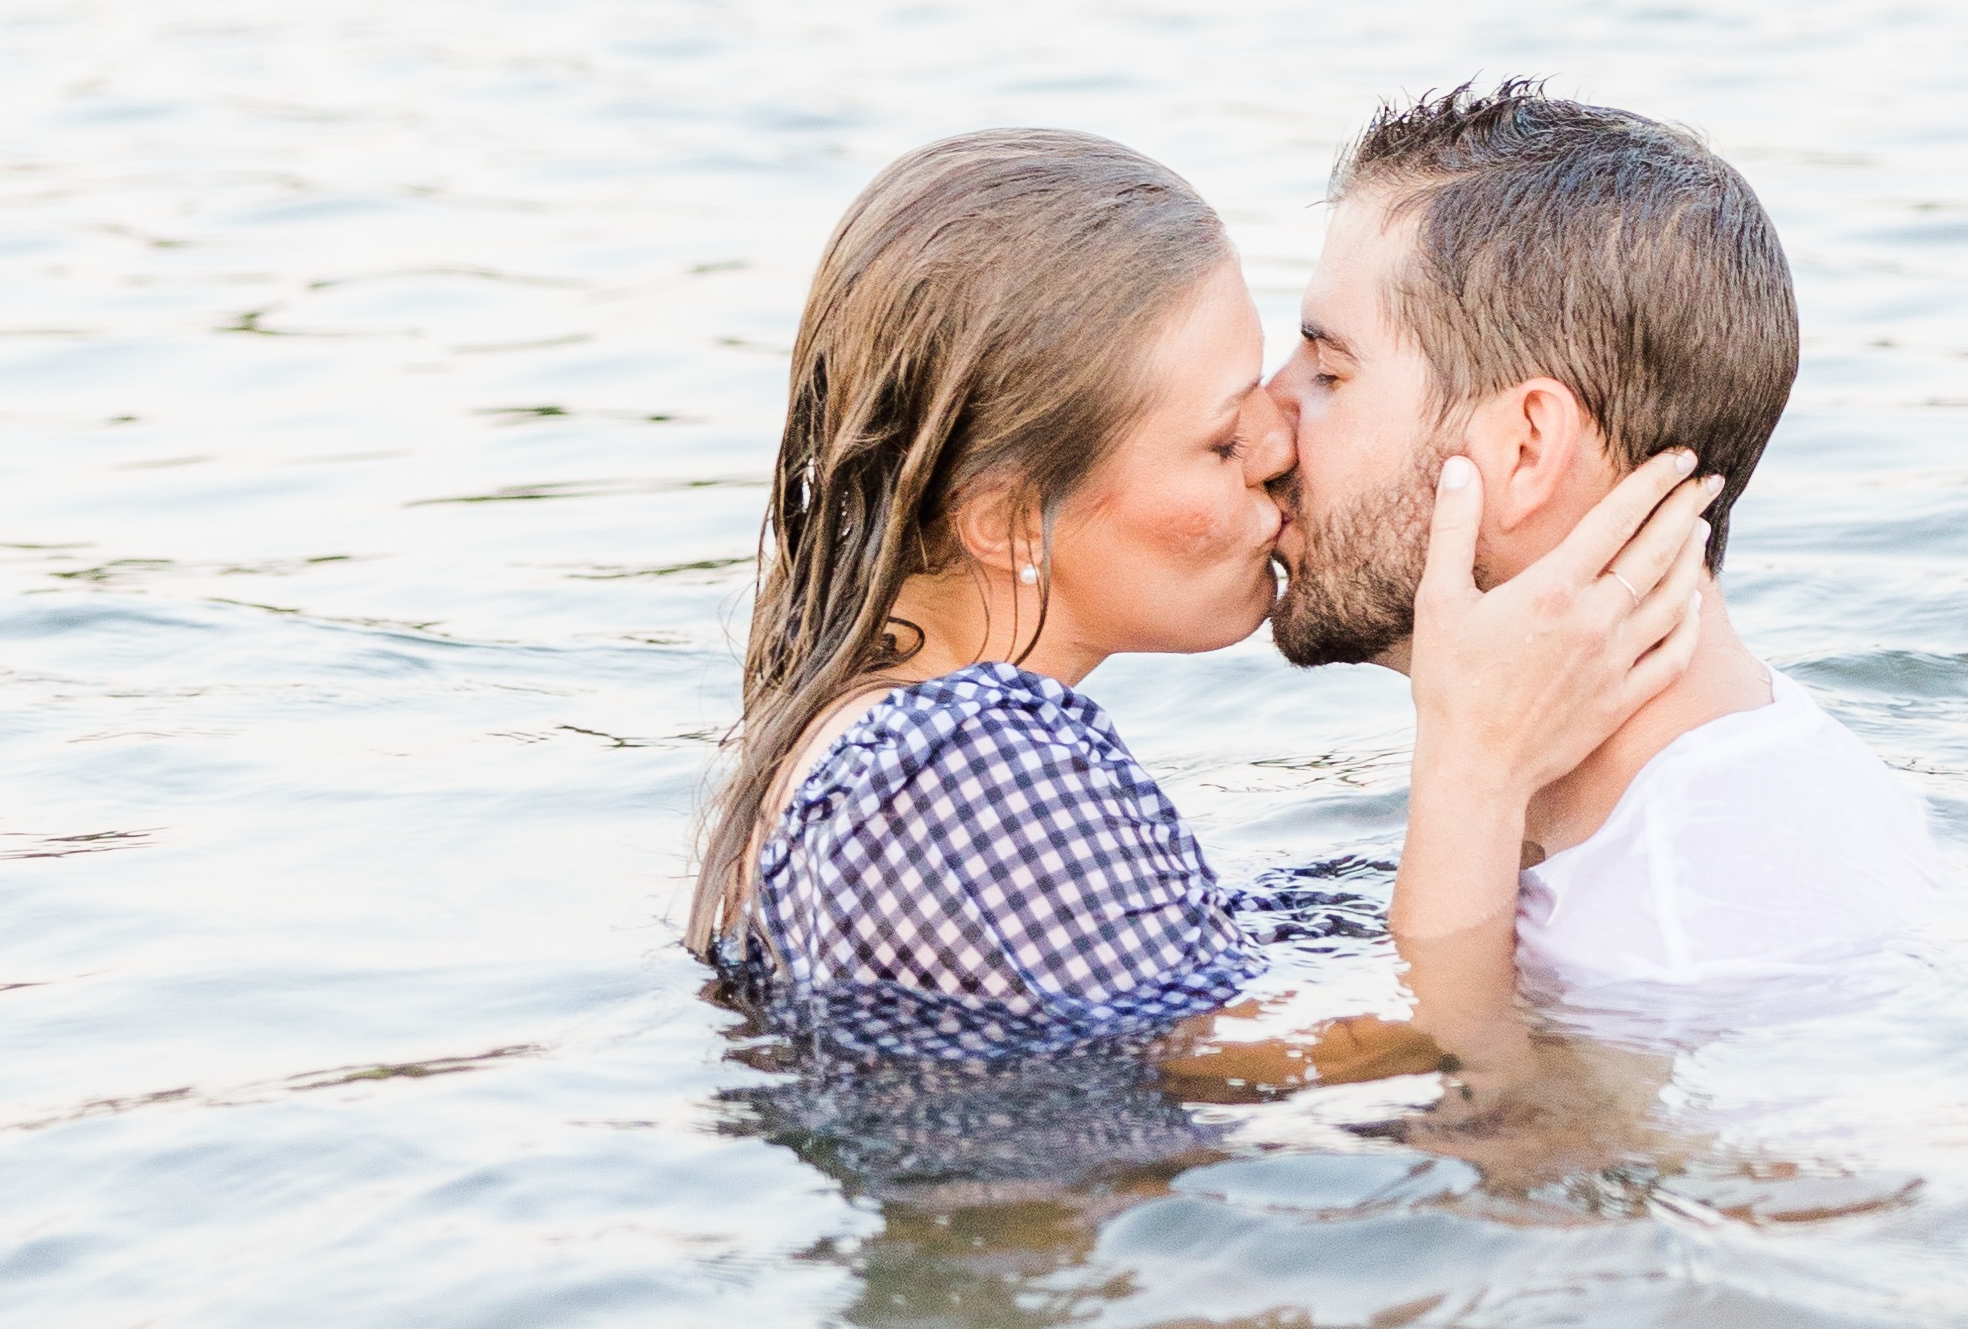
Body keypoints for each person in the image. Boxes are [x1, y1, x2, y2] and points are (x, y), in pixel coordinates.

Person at [688, 125, 1715, 1050]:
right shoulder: (963, 759)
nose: (1277, 444)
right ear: (1004, 519)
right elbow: (1433, 1051)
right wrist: (1477, 762)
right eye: (1222, 438)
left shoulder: (868, 744)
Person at [1270, 82, 1938, 1027]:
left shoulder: (1662, 944)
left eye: (1329, 372)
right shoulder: (1752, 780)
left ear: (1526, 448)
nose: (1262, 420)